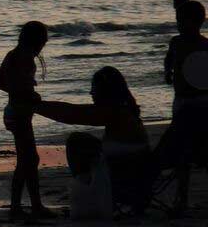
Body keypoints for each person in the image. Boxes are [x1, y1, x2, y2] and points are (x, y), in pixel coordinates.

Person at [34, 67, 151, 214]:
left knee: (75, 142)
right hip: (131, 175)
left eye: (93, 89)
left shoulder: (116, 114)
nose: (91, 93)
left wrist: (36, 107)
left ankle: (85, 187)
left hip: (126, 182)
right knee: (79, 140)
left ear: (105, 92)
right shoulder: (124, 110)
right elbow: (76, 111)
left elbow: (73, 114)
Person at [0, 21, 55, 221]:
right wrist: (27, 94)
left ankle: (29, 205)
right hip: (18, 113)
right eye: (43, 40)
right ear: (35, 40)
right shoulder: (22, 57)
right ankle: (22, 206)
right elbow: (7, 84)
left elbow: (1, 82)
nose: (44, 44)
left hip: (16, 111)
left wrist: (24, 92)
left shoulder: (14, 55)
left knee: (29, 159)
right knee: (27, 160)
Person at [156, 0, 208, 213]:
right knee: (182, 150)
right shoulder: (176, 43)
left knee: (201, 147)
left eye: (182, 21)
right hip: (182, 100)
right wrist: (168, 72)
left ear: (198, 22)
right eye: (178, 21)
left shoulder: (205, 45)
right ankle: (182, 196)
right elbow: (169, 60)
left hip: (202, 101)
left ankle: (183, 197)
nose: (178, 25)